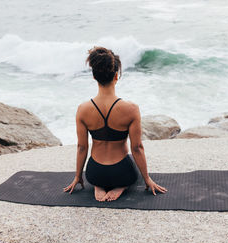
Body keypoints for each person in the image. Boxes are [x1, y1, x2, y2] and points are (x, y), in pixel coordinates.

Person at [63, 46, 167, 202]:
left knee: (98, 177)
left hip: (95, 173)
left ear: (94, 77)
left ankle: (98, 186)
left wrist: (78, 176)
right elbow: (137, 147)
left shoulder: (83, 109)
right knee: (129, 174)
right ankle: (121, 187)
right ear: (116, 76)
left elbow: (82, 147)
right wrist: (147, 179)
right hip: (122, 172)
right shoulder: (131, 109)